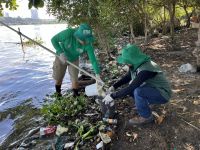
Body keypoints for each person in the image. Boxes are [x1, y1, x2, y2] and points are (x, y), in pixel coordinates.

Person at [102, 44, 172, 125]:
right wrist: (114, 86)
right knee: (134, 88)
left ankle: (146, 117)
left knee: (138, 91)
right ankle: (145, 105)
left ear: (132, 60)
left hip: (163, 94)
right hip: (153, 88)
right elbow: (128, 77)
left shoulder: (146, 69)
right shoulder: (136, 64)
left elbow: (131, 87)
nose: (125, 64)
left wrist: (112, 96)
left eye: (126, 62)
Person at [51, 23, 101, 97]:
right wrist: (60, 52)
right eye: (84, 40)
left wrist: (97, 74)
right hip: (61, 57)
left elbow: (93, 60)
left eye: (87, 39)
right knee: (59, 79)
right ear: (78, 36)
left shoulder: (88, 44)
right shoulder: (68, 33)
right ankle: (58, 94)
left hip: (74, 59)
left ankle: (76, 96)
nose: (85, 42)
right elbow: (54, 40)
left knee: (75, 80)